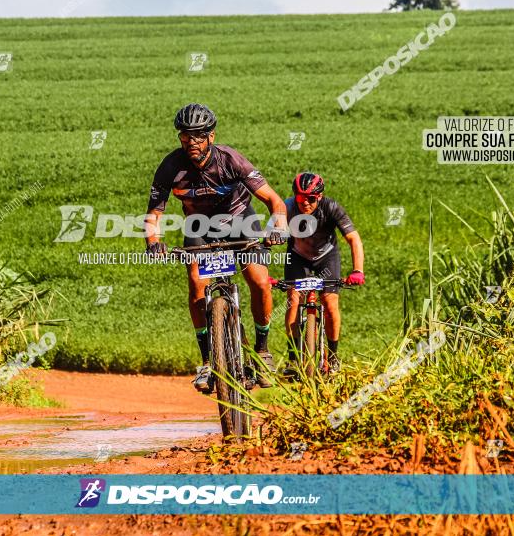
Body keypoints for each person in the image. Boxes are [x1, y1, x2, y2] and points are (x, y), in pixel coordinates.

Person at [144, 103, 288, 392]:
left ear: (211, 136)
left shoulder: (231, 160)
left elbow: (274, 201)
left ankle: (262, 349)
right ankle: (208, 360)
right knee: (197, 284)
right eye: (186, 136)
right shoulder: (171, 166)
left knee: (260, 282)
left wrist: (278, 227)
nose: (191, 142)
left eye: (198, 136)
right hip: (199, 227)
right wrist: (153, 242)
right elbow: (153, 215)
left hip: (240, 222)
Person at [282, 172, 364, 376]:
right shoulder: (287, 208)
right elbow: (269, 237)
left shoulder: (331, 207)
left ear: (319, 197)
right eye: (301, 198)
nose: (306, 203)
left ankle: (333, 357)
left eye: (311, 199)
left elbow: (354, 239)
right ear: (295, 196)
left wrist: (357, 270)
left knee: (330, 303)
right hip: (298, 256)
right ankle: (293, 359)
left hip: (326, 257)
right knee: (293, 300)